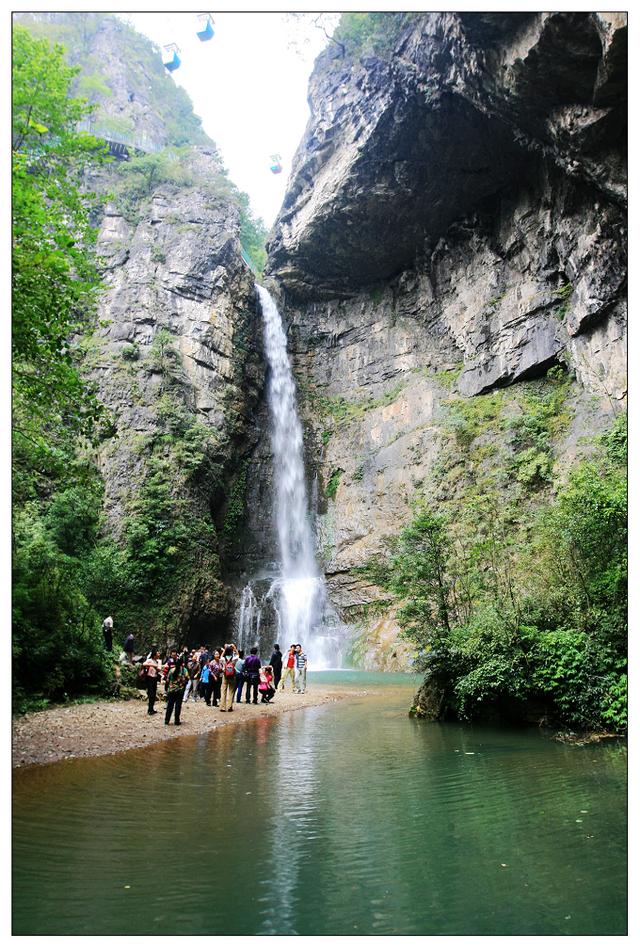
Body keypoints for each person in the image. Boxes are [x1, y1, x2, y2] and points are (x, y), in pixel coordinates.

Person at [165, 654, 188, 725]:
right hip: (180, 691)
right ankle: (176, 720)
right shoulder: (184, 670)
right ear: (182, 663)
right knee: (178, 705)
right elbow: (186, 679)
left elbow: (167, 680)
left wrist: (166, 689)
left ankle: (167, 720)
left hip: (171, 690)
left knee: (170, 705)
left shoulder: (171, 670)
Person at [143, 647, 162, 715]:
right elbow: (144, 664)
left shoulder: (159, 661)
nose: (159, 654)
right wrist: (152, 665)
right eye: (158, 653)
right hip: (149, 678)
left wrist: (154, 666)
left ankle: (151, 708)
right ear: (154, 654)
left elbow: (159, 669)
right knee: (151, 694)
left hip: (155, 679)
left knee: (153, 695)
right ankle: (149, 709)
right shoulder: (149, 660)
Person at [219, 646, 237, 711]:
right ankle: (229, 707)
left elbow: (220, 657)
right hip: (232, 676)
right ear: (232, 651)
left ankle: (223, 707)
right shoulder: (234, 659)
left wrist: (224, 650)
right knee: (231, 691)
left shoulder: (223, 659)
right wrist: (234, 648)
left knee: (223, 691)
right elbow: (238, 655)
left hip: (225, 675)